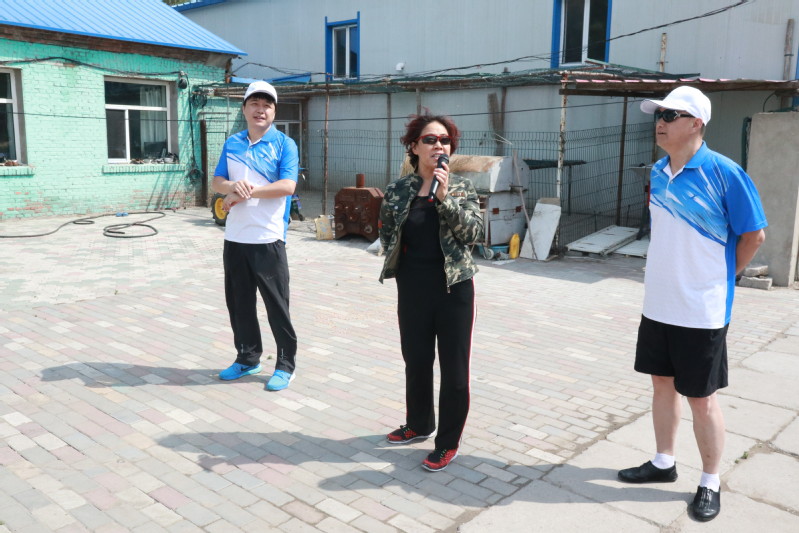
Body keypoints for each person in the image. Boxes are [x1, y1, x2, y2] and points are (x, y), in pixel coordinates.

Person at [617, 86, 767, 521]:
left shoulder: (725, 173)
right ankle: (663, 462)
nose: (660, 122)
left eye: (671, 115)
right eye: (658, 115)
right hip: (658, 304)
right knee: (661, 385)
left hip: (702, 310)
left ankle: (710, 481)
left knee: (701, 398)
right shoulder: (659, 171)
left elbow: (754, 235)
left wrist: (722, 277)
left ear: (696, 123)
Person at [379, 113, 484, 472]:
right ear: (413, 146)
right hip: (413, 288)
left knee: (454, 370)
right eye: (430, 139)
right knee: (417, 360)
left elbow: (473, 235)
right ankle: (419, 423)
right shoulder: (398, 190)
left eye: (445, 140)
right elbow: (387, 233)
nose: (439, 145)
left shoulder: (462, 188)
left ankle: (447, 443)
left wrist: (444, 197)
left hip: (453, 290)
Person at [211, 80, 299, 392]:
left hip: (268, 238)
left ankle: (286, 364)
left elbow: (288, 186)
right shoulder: (232, 143)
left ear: (274, 111)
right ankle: (247, 358)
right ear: (244, 108)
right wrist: (230, 187)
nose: (260, 110)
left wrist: (247, 192)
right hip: (236, 237)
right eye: (254, 104)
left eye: (267, 105)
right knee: (239, 304)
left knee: (277, 306)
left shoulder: (284, 144)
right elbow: (218, 180)